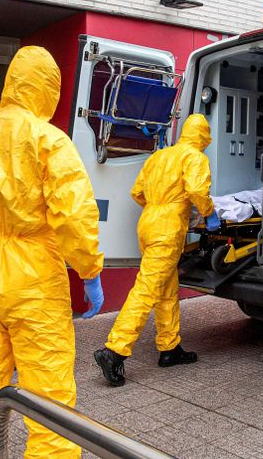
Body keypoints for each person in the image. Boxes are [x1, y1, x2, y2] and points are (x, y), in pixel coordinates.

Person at [0, 45, 105, 459]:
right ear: (48, 89)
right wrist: (88, 270)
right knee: (48, 391)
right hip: (33, 275)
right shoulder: (49, 140)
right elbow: (74, 214)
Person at [94, 113, 219, 387]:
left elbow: (137, 192)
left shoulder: (159, 157)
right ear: (203, 136)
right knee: (147, 289)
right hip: (168, 227)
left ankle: (169, 348)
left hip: (148, 222)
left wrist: (157, 206)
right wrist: (208, 212)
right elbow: (198, 190)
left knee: (166, 289)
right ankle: (114, 351)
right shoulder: (194, 157)